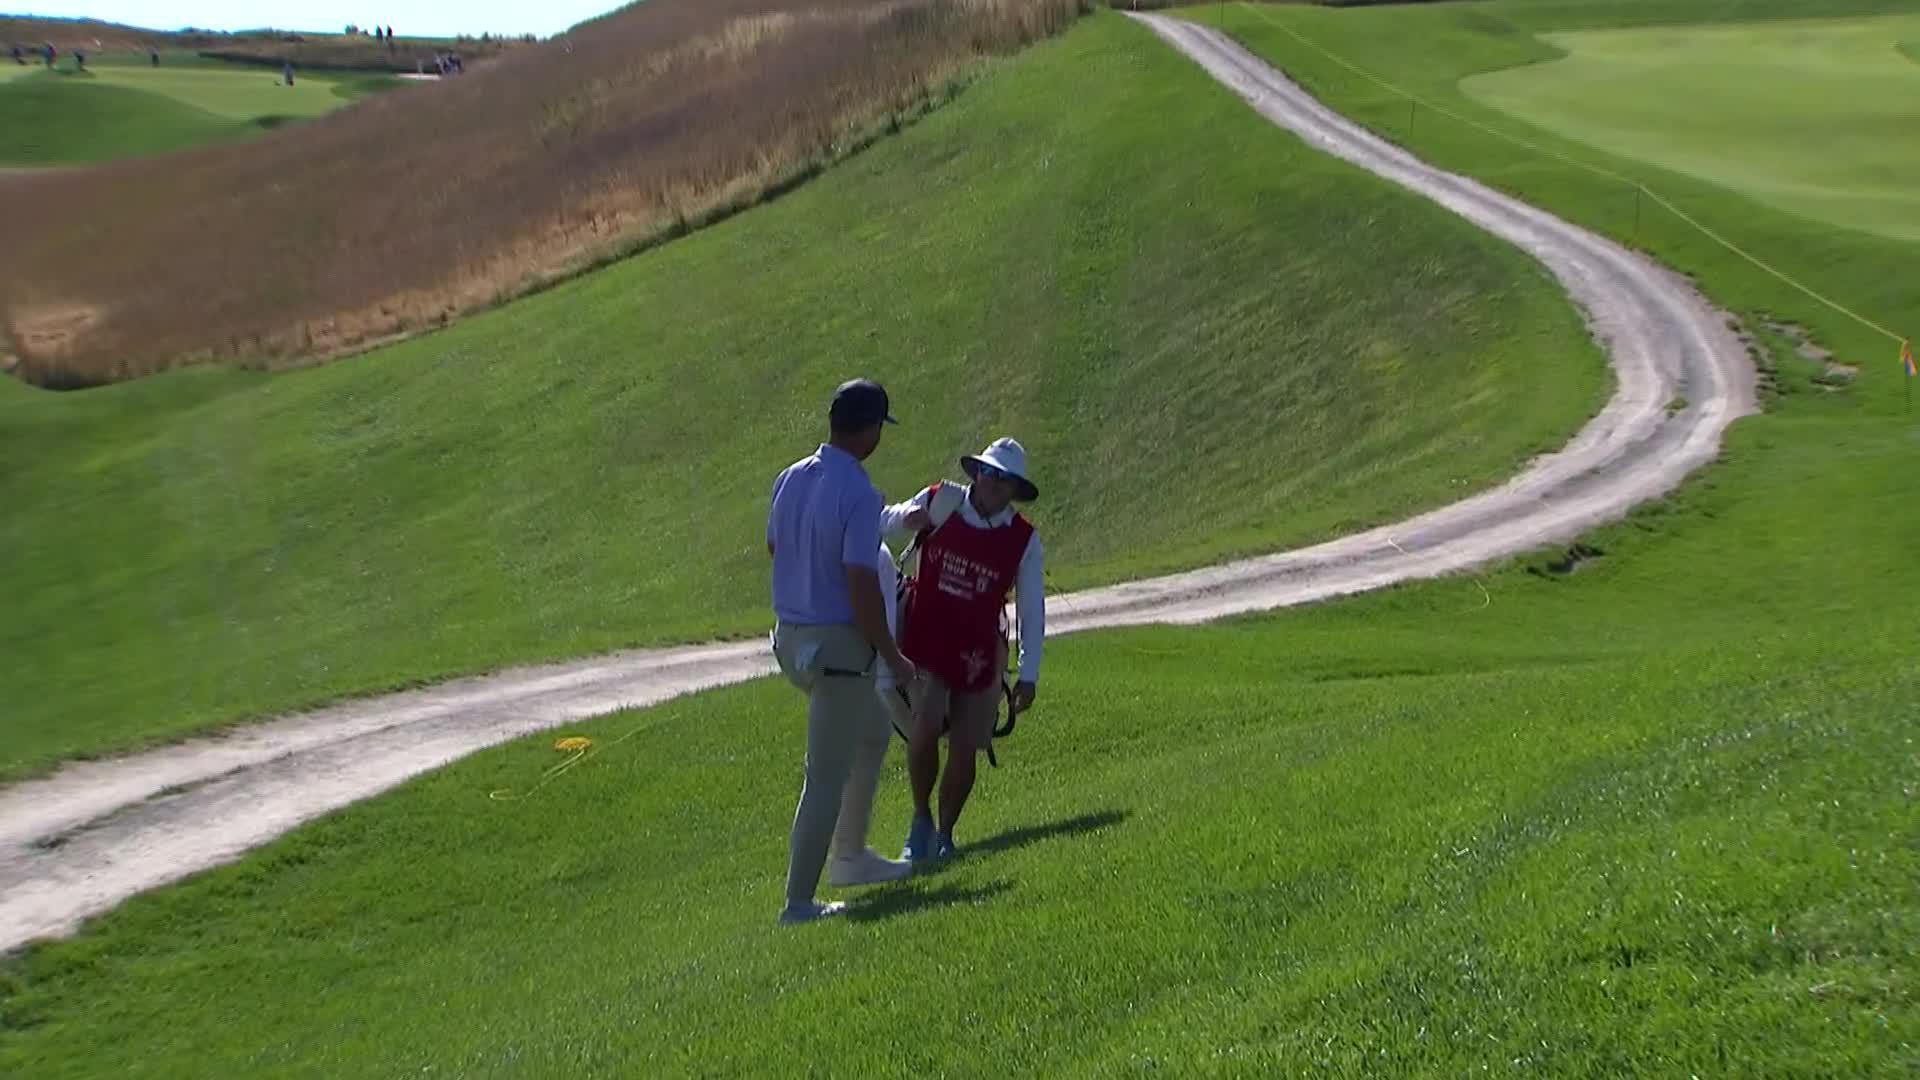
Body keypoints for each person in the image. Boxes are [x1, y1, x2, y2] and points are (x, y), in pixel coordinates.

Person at [766, 379, 917, 925]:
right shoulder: (857, 491)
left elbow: (774, 546)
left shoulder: (790, 477)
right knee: (825, 773)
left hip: (791, 638)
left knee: (873, 730)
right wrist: (892, 654)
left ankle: (851, 855)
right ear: (871, 430)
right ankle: (799, 903)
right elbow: (860, 583)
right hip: (836, 646)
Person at [888, 438, 1045, 862]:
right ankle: (919, 821)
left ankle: (944, 834)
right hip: (927, 641)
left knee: (964, 746)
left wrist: (1028, 673)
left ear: (1014, 489)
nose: (994, 484)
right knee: (923, 730)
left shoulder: (1023, 540)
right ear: (976, 473)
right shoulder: (941, 502)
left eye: (1005, 479)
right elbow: (885, 521)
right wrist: (907, 517)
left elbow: (1032, 608)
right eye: (990, 473)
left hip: (978, 653)